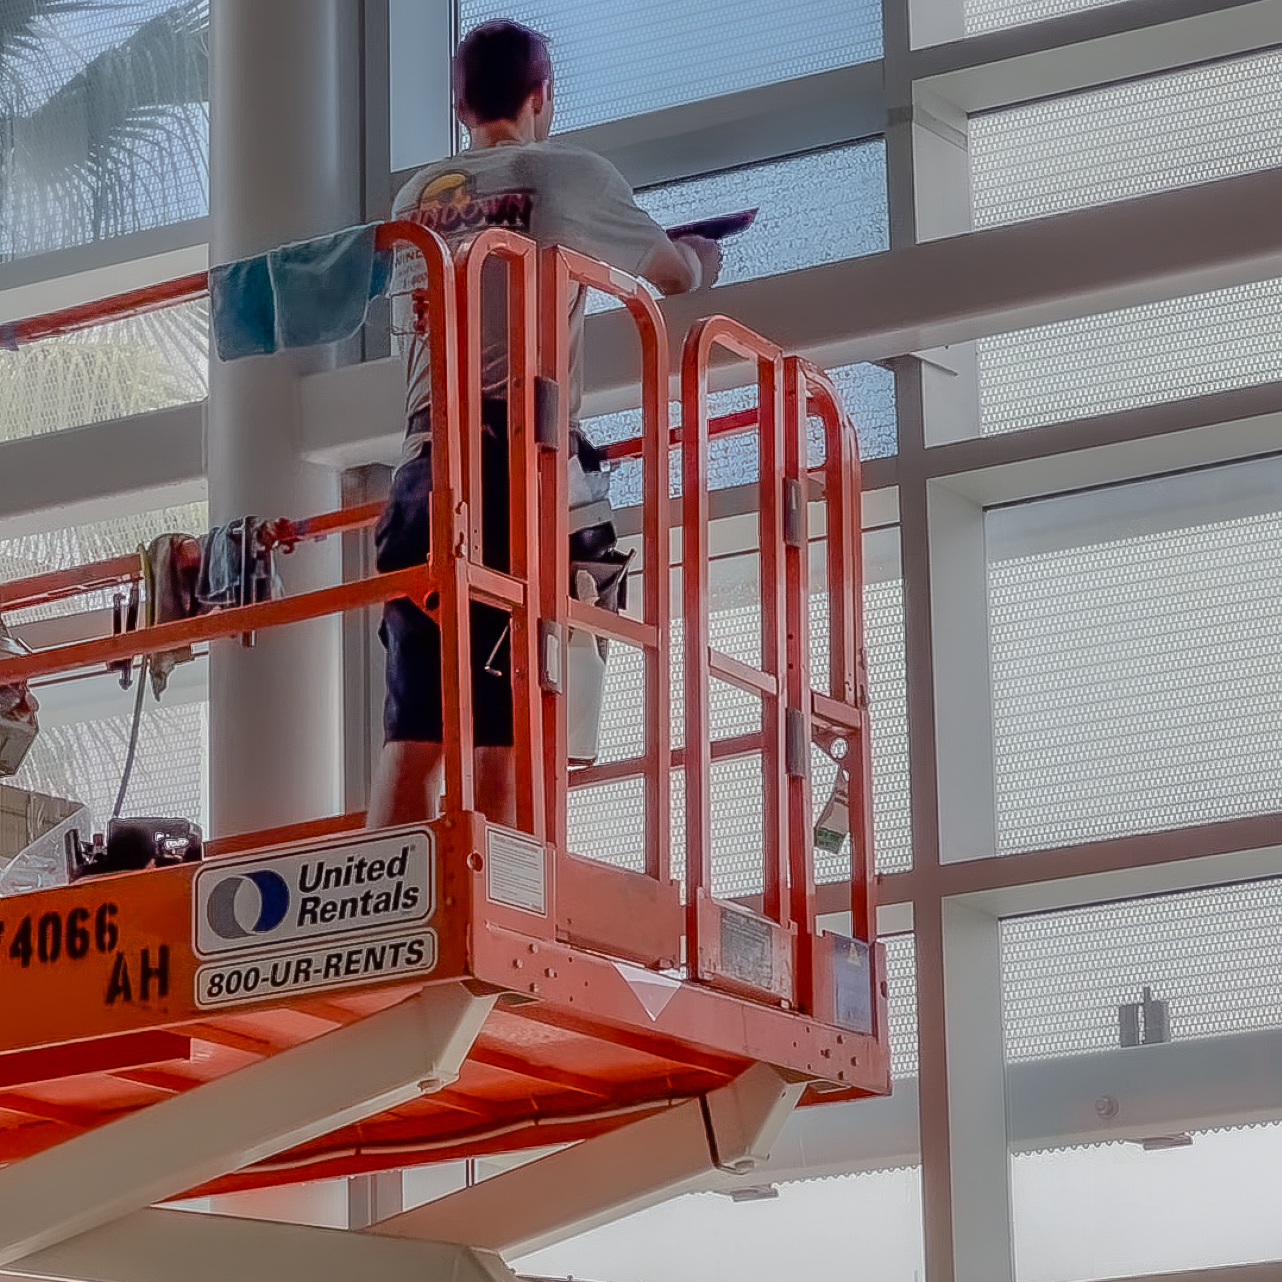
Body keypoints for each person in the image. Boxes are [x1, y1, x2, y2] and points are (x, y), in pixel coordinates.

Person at [366, 20, 720, 831]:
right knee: (505, 730)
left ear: (460, 106)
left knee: (413, 733)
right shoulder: (570, 174)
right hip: (511, 474)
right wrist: (700, 252)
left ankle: (391, 923)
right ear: (542, 96)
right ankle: (506, 919)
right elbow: (672, 275)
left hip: (421, 474)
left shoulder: (416, 197)